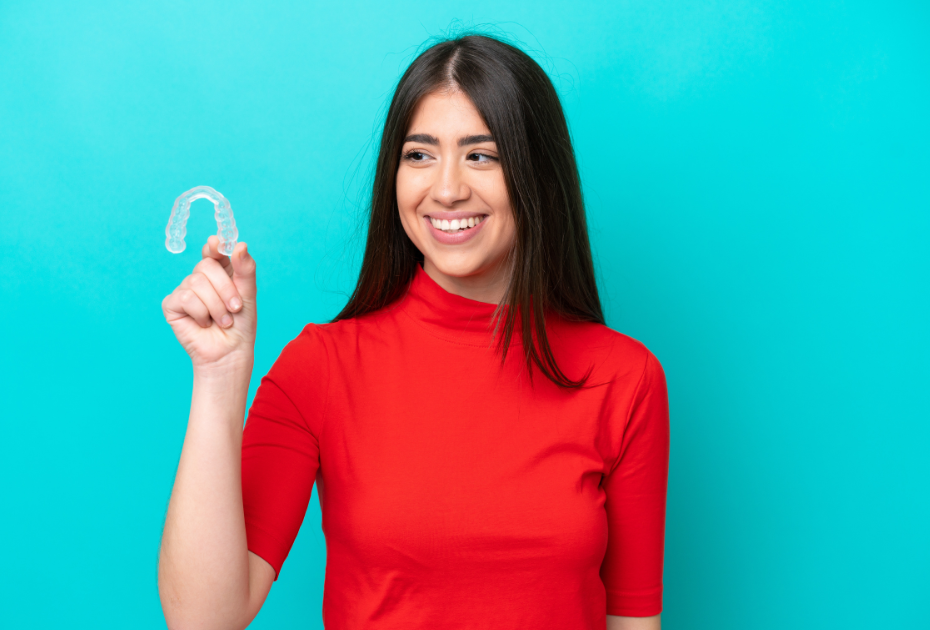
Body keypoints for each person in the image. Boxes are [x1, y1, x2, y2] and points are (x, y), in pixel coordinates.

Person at [158, 34, 669, 630]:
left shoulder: (624, 378)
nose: (446, 189)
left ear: (539, 176)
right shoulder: (321, 367)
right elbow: (203, 619)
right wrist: (219, 381)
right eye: (420, 155)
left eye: (482, 155)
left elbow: (632, 621)